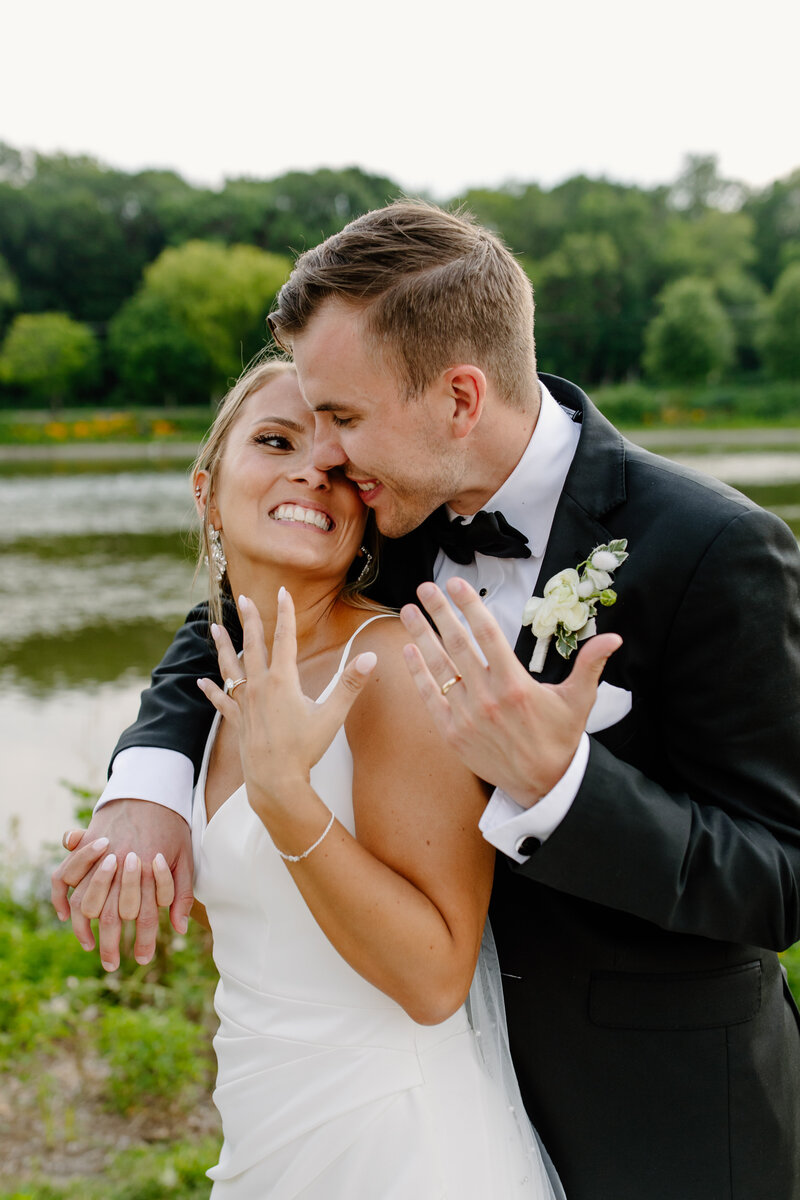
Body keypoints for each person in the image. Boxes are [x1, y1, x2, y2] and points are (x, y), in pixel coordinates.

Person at [53, 202, 800, 1199]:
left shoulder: (711, 550)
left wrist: (563, 789)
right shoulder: (390, 506)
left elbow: (779, 877)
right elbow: (244, 609)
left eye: (344, 420)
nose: (330, 460)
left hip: (661, 1113)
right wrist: (148, 777)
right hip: (425, 1093)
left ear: (457, 398)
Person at [70, 357, 563, 1197]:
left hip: (394, 1143)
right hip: (268, 1126)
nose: (312, 472)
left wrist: (289, 803)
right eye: (275, 440)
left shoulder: (396, 667)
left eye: (341, 469)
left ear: (367, 514)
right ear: (206, 489)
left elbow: (438, 978)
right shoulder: (225, 679)